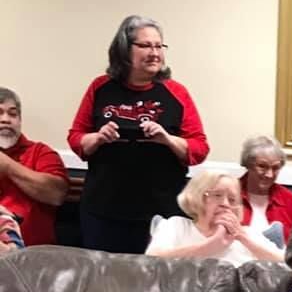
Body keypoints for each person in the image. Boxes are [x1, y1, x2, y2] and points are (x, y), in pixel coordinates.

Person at [67, 15, 209, 254]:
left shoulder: (176, 92)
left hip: (161, 212)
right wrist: (98, 137)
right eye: (145, 45)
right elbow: (76, 138)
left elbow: (199, 148)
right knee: (105, 282)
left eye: (159, 46)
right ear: (124, 49)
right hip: (104, 210)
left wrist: (167, 139)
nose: (155, 53)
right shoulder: (100, 87)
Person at [146, 171, 283, 265]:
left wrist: (243, 237)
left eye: (232, 199)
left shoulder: (249, 234)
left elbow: (288, 266)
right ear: (197, 196)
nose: (225, 204)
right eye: (217, 195)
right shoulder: (176, 226)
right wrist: (209, 246)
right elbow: (150, 262)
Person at [0, 87, 68, 245]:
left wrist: (7, 166)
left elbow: (56, 195)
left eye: (13, 114)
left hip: (32, 258)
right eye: (0, 112)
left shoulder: (41, 152)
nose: (6, 119)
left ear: (19, 121)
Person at [237, 135, 292, 242]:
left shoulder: (291, 201)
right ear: (248, 163)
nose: (269, 174)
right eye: (262, 166)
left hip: (278, 258)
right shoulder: (227, 194)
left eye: (275, 168)